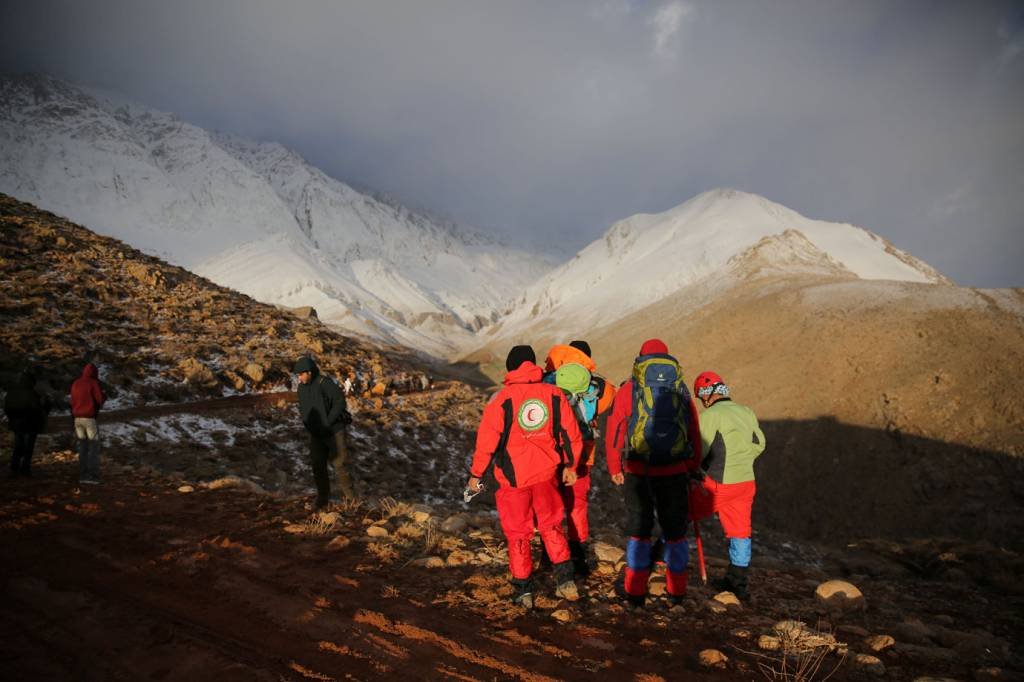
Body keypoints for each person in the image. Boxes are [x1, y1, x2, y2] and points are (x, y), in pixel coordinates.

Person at [466, 344, 583, 609]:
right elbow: (570, 435)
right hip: (547, 476)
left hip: (513, 481)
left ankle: (524, 592)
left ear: (510, 369)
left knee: (519, 535)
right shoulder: (554, 394)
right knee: (551, 527)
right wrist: (571, 466)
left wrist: (476, 474)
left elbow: (486, 443)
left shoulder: (501, 399)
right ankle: (566, 583)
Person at [605, 339, 701, 607]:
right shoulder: (680, 389)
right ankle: (677, 592)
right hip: (675, 469)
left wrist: (615, 467)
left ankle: (635, 591)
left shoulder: (630, 389)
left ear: (641, 360)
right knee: (675, 530)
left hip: (638, 469)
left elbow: (616, 431)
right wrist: (692, 465)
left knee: (639, 528)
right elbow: (693, 428)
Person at [540, 341, 616, 576]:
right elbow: (608, 400)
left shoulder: (548, 381)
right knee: (577, 505)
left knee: (550, 504)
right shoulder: (598, 387)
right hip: (583, 455)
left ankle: (547, 554)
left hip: (551, 453)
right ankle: (578, 555)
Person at [690, 371, 765, 600]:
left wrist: (698, 470)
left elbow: (699, 448)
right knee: (740, 532)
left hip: (719, 482)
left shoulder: (711, 415)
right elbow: (759, 443)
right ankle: (737, 584)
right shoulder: (746, 412)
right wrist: (742, 459)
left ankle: (657, 561)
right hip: (746, 481)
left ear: (705, 395)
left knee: (680, 514)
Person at [294, 356, 354, 508]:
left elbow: (340, 401)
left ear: (309, 372)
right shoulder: (301, 388)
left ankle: (352, 501)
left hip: (334, 431)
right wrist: (308, 425)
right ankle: (322, 501)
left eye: (301, 374)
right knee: (318, 465)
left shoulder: (324, 383)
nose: (299, 377)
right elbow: (303, 408)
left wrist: (327, 422)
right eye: (298, 375)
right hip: (316, 433)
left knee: (340, 464)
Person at [4, 369, 50, 477]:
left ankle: (14, 467)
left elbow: (7, 408)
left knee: (18, 446)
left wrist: (12, 419)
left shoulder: (11, 393)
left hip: (16, 423)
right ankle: (25, 468)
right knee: (28, 447)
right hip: (30, 425)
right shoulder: (31, 394)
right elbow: (36, 409)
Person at [70, 362, 107, 484]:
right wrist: (104, 395)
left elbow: (72, 400)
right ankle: (93, 476)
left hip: (77, 419)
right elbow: (100, 400)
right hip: (89, 418)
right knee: (93, 447)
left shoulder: (76, 383)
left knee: (83, 448)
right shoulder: (93, 383)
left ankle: (83, 475)